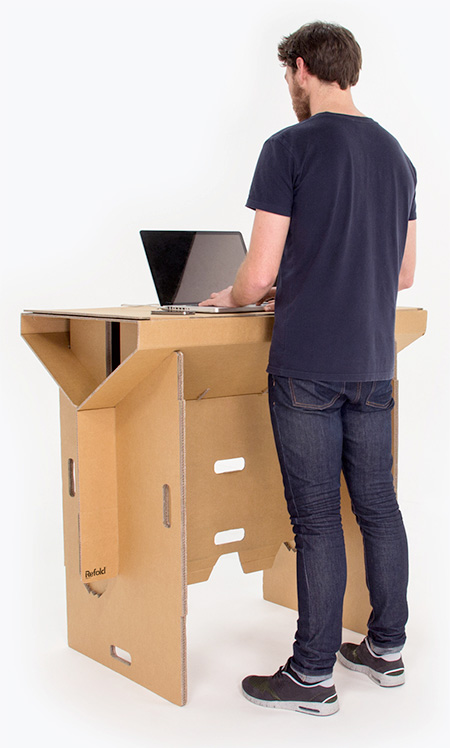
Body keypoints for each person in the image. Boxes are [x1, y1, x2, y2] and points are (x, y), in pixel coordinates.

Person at [199, 21, 416, 717]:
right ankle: (386, 650)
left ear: (299, 69)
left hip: (309, 367)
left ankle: (312, 674)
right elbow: (404, 274)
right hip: (374, 365)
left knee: (318, 519)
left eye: (289, 74)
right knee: (378, 506)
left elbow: (257, 271)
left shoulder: (288, 147)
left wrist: (237, 296)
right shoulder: (397, 156)